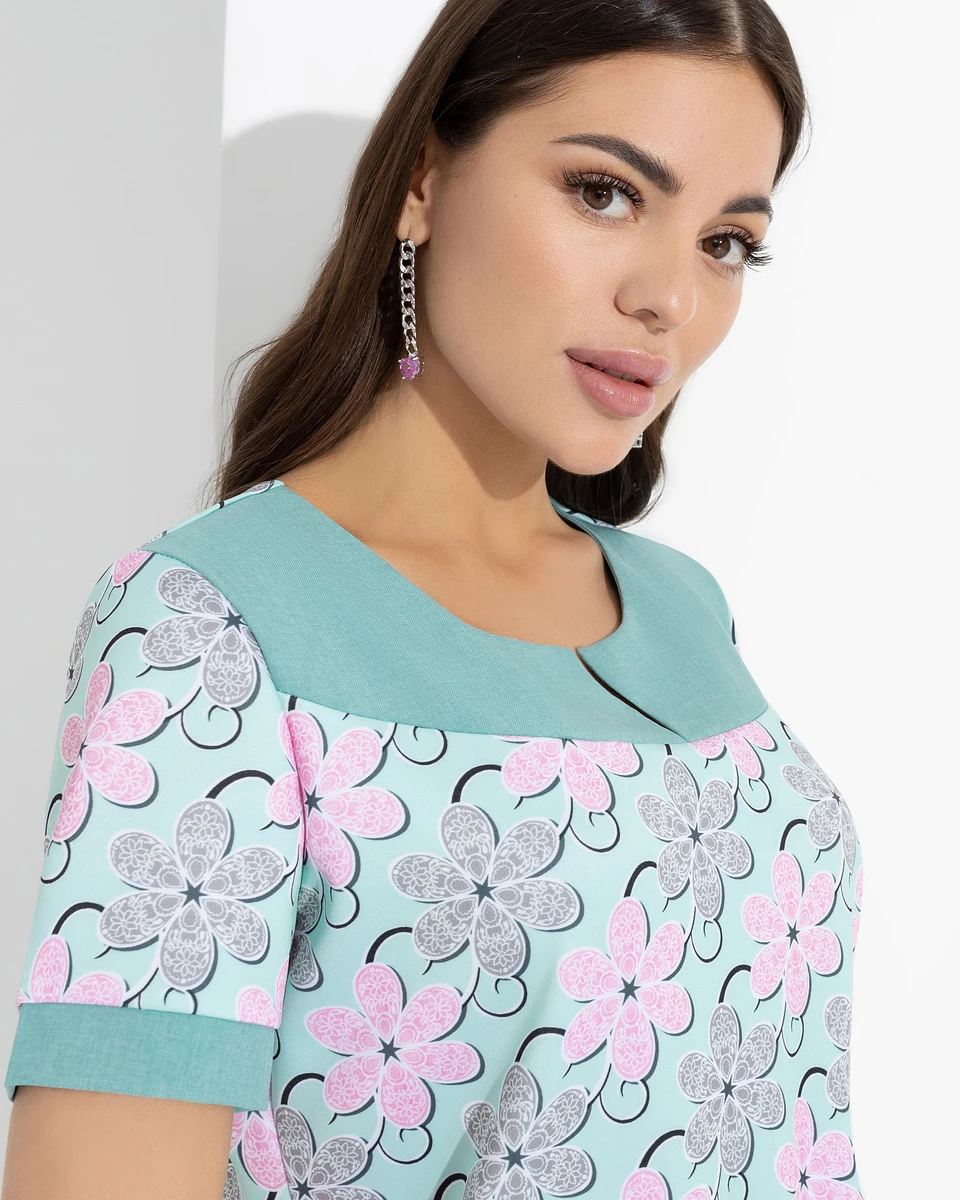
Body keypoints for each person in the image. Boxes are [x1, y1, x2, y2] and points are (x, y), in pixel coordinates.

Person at [1, 1, 867, 1198]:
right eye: (605, 193)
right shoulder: (208, 629)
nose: (670, 295)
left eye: (726, 241)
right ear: (422, 180)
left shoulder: (686, 608)